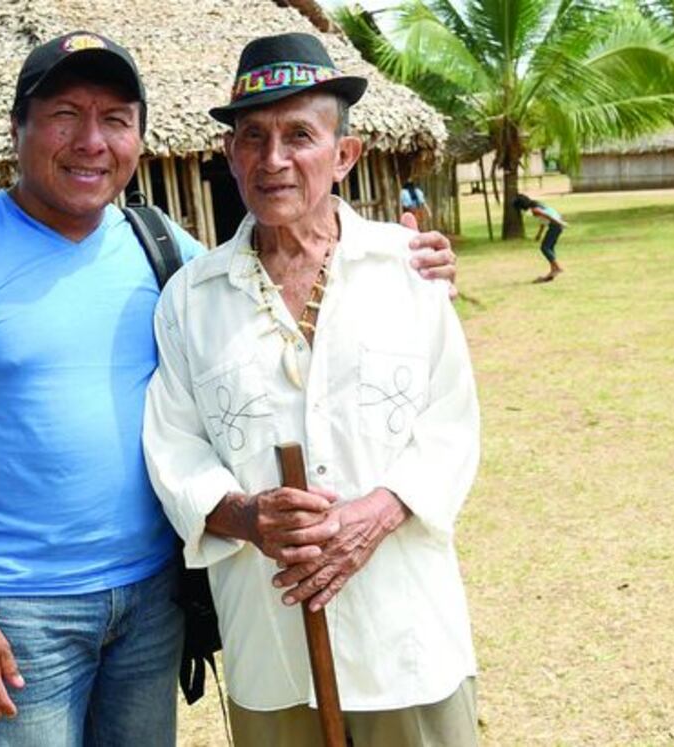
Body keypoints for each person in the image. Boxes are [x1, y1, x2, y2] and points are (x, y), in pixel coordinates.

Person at [0, 31, 458, 746]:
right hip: (23, 608)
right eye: (65, 115)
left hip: (152, 599)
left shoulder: (163, 252)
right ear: (16, 128)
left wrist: (409, 263)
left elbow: (269, 279)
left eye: (116, 120)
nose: (92, 141)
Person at [143, 33, 480, 746]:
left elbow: (451, 423)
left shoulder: (408, 269)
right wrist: (246, 517)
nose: (274, 159)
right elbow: (173, 446)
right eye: (253, 137)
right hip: (270, 644)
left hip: (405, 636)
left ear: (344, 154)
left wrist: (379, 512)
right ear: (230, 154)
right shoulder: (190, 299)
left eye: (300, 135)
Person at [512, 193, 568, 283]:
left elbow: (548, 216)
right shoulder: (537, 205)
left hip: (555, 226)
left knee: (544, 248)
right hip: (556, 225)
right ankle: (553, 271)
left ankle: (557, 267)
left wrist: (560, 223)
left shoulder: (535, 210)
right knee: (550, 247)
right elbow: (543, 220)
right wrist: (539, 234)